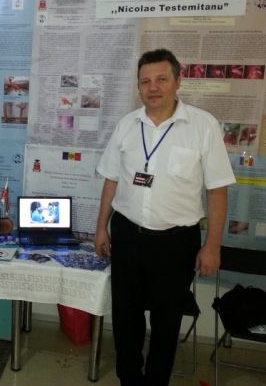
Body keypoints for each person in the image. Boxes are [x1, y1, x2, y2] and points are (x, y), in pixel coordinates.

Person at [94, 49, 235, 386]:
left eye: (161, 79)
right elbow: (111, 180)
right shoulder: (127, 125)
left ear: (177, 81)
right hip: (127, 235)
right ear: (138, 86)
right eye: (145, 81)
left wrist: (212, 246)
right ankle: (130, 379)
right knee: (126, 316)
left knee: (166, 320)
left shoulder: (202, 126)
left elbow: (217, 191)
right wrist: (101, 228)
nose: (152, 87)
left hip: (176, 242)